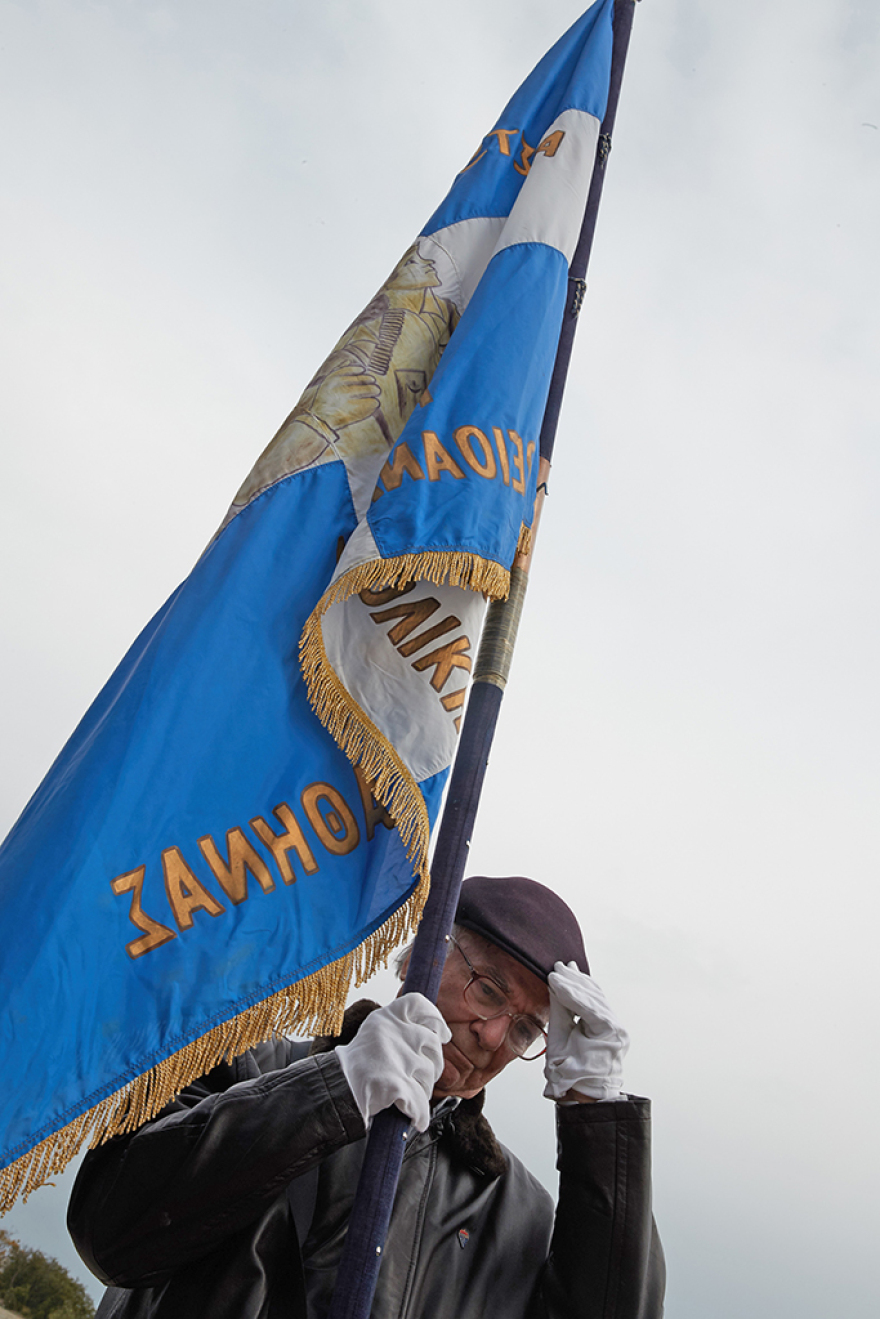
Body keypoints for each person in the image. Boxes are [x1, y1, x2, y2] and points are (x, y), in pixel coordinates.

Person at [68, 875, 665, 1318]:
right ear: (415, 959)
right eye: (487, 990)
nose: (491, 1035)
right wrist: (333, 1091)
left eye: (526, 1029)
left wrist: (598, 1119)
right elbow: (111, 1235)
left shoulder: (516, 1213)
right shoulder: (241, 1062)